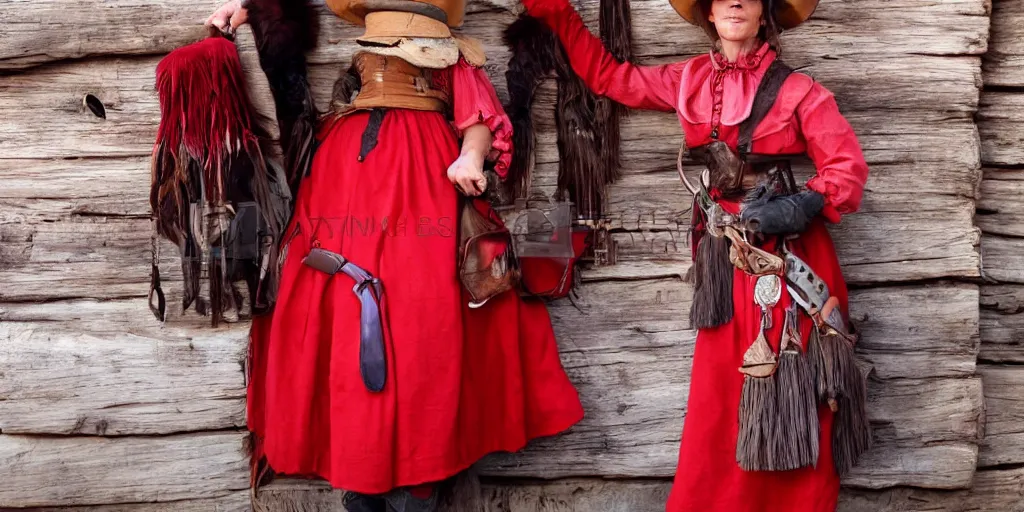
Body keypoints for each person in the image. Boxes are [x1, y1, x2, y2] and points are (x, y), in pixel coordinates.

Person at [205, 1, 585, 511]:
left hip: (421, 187)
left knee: (417, 326)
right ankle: (358, 470)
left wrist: (469, 158)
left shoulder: (456, 59)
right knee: (338, 318)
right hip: (340, 189)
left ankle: (417, 477)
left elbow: (480, 121)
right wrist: (255, 11)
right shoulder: (355, 76)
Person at [521, 0, 870, 510]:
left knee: (785, 383)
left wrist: (799, 205)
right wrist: (558, 15)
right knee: (721, 395)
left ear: (763, 12)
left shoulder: (800, 91)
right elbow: (608, 77)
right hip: (722, 258)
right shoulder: (688, 79)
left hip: (783, 258)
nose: (734, 2)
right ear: (708, 12)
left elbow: (846, 169)